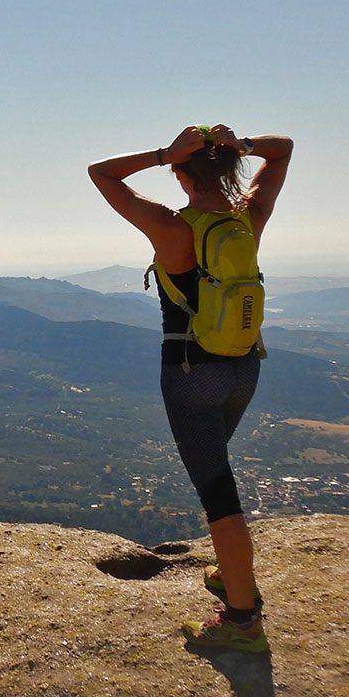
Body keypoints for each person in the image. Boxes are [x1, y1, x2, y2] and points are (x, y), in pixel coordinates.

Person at [88, 124, 293, 652]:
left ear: (181, 173)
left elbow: (101, 173)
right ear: (228, 169)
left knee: (218, 496)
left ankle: (243, 621)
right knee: (217, 471)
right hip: (244, 368)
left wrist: (162, 153)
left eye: (177, 166)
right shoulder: (248, 218)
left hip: (189, 373)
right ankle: (231, 575)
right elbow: (283, 149)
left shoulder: (172, 227)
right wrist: (241, 146)